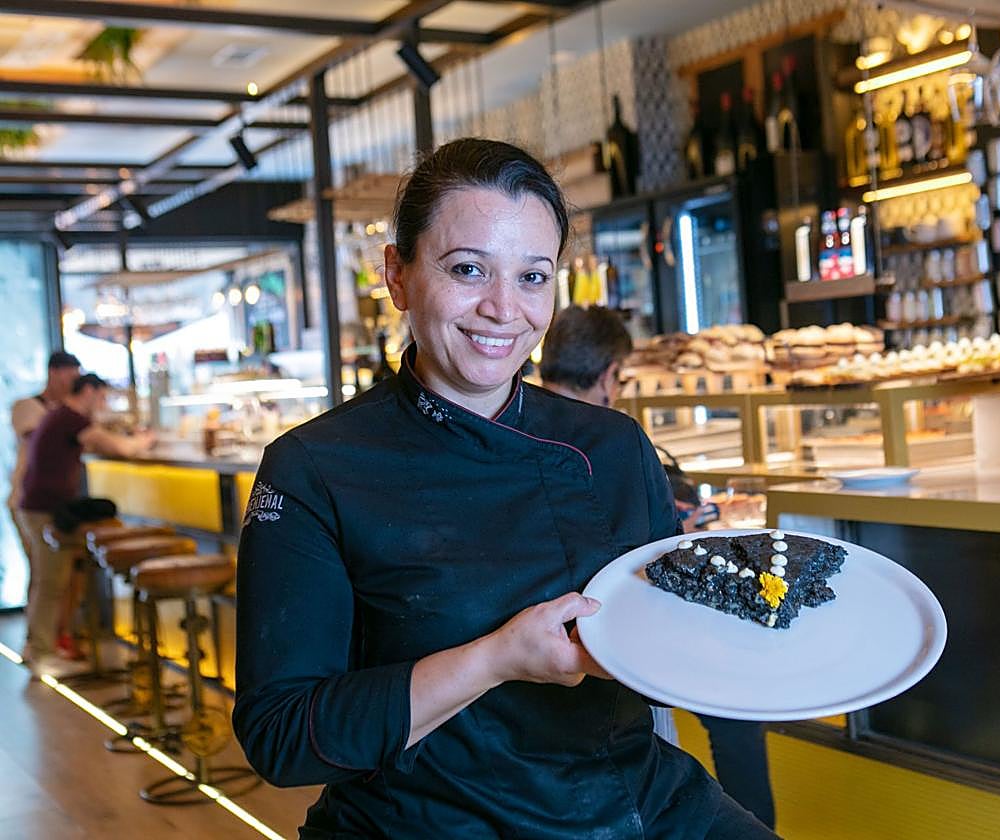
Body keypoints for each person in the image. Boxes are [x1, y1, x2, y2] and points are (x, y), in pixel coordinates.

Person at [233, 138, 778, 839]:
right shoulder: (314, 467)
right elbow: (282, 737)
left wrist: (717, 629)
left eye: (532, 277)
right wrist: (496, 659)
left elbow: (655, 650)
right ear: (397, 275)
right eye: (467, 269)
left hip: (633, 803)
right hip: (425, 822)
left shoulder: (612, 445)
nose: (502, 309)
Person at [540, 307, 776, 831]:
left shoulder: (514, 430)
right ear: (607, 376)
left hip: (548, 653)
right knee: (733, 704)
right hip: (619, 645)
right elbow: (656, 555)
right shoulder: (614, 440)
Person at [17, 373, 154, 677]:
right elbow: (118, 448)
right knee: (51, 583)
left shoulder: (61, 416)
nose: (103, 404)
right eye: (102, 397)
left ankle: (37, 647)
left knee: (49, 581)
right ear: (89, 391)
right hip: (45, 510)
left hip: (40, 507)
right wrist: (143, 441)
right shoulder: (70, 418)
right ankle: (41, 656)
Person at [8, 351, 80, 603]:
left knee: (59, 575)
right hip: (26, 498)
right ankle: (37, 639)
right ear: (53, 372)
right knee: (43, 575)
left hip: (54, 502)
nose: (72, 382)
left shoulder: (68, 412)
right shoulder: (27, 406)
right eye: (69, 375)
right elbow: (40, 439)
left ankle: (58, 635)